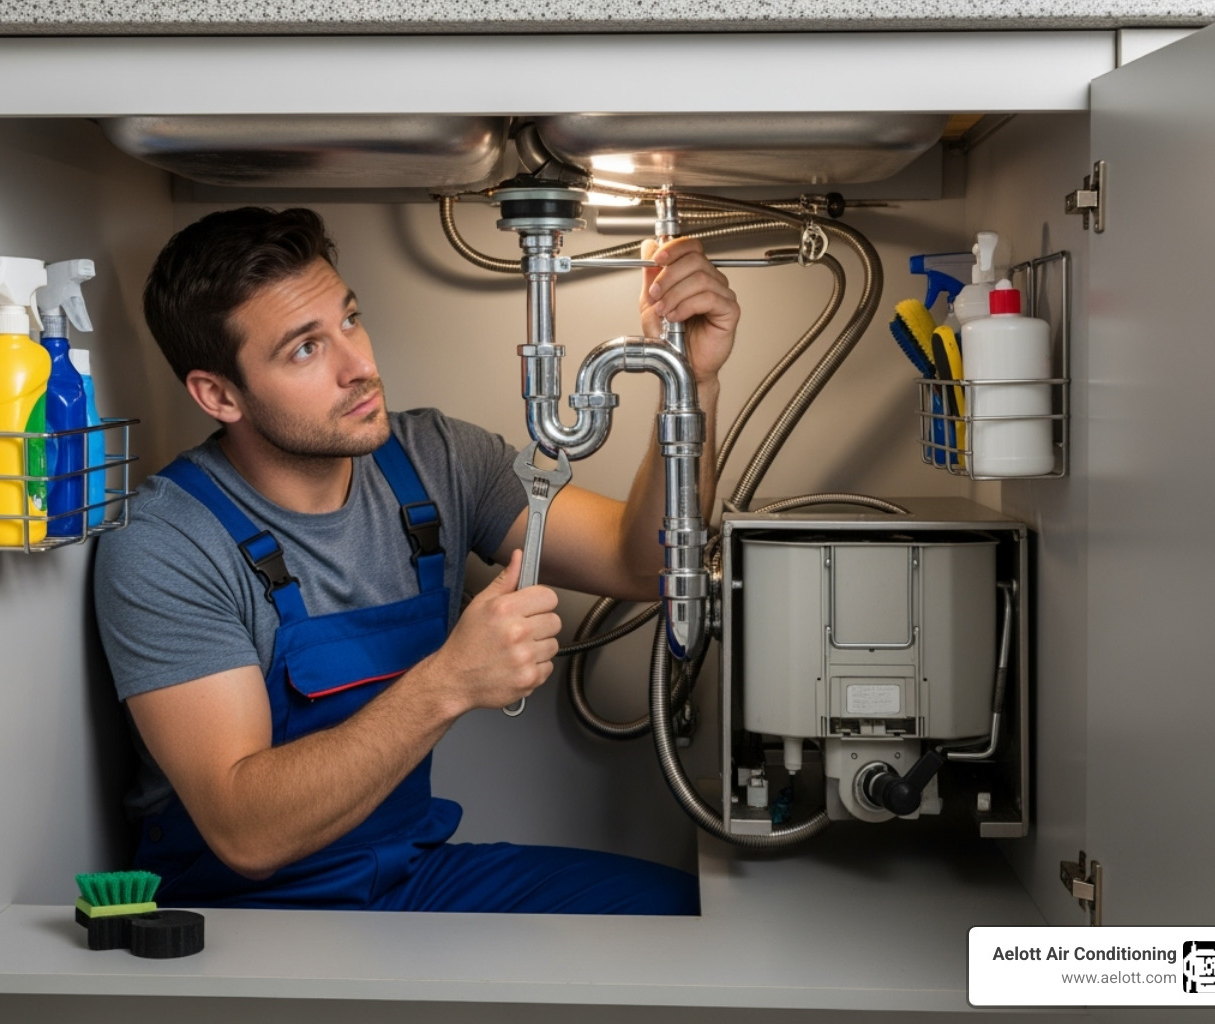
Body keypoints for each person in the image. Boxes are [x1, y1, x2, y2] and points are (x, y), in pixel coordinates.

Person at [94, 206, 739, 914]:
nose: (360, 367)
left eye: (350, 320)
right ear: (219, 394)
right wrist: (449, 682)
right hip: (246, 918)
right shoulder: (166, 541)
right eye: (305, 350)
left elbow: (639, 563)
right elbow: (246, 834)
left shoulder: (436, 460)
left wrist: (690, 383)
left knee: (680, 921)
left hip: (410, 879)